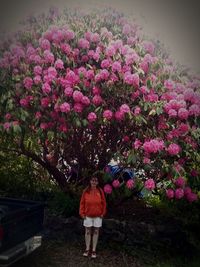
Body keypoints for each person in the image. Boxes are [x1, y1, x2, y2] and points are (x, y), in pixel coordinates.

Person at [79, 176, 106, 259]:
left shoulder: (100, 191)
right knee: (87, 231)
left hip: (98, 216)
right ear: (90, 181)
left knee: (96, 232)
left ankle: (93, 250)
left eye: (95, 181)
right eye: (92, 180)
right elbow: (82, 203)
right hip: (87, 216)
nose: (94, 182)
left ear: (97, 182)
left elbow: (104, 203)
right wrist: (82, 213)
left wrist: (103, 213)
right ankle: (87, 249)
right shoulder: (85, 191)